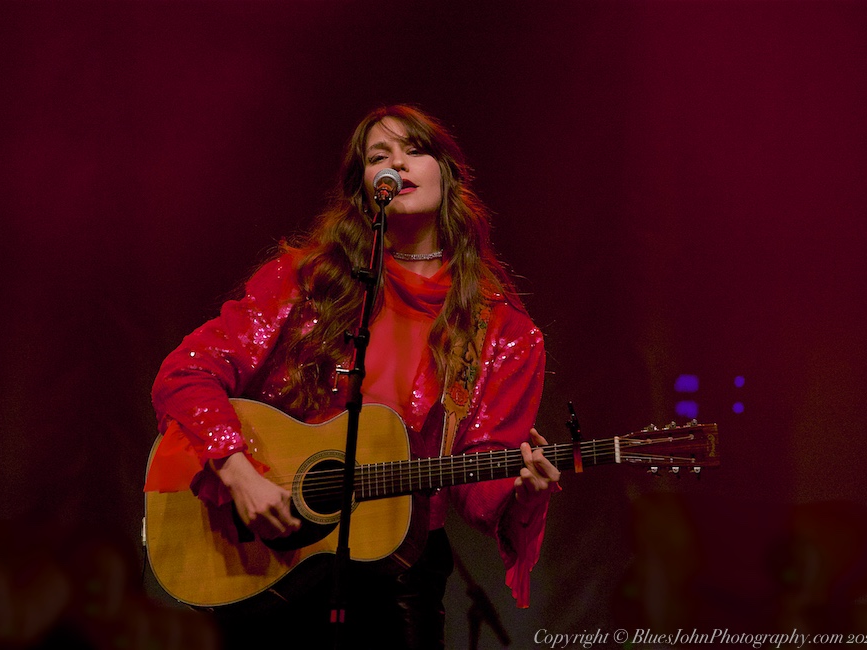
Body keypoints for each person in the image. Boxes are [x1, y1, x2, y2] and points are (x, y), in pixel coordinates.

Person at [146, 104, 560, 649]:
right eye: (379, 157)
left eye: (415, 150)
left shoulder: (502, 329)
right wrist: (239, 471)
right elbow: (186, 372)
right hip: (271, 556)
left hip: (397, 572)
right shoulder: (305, 281)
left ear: (448, 173)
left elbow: (480, 496)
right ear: (365, 190)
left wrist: (524, 494)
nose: (398, 164)